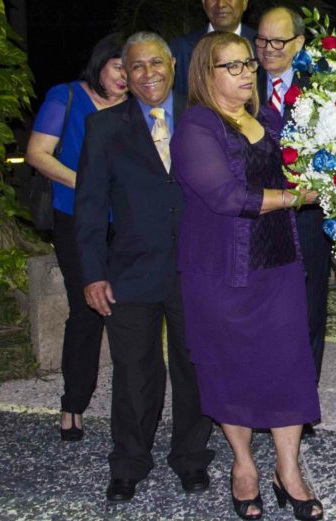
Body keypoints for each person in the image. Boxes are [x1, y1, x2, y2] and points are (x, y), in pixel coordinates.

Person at [171, 31, 322, 521]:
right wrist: (298, 197)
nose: (244, 73)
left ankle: (288, 470)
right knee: (229, 368)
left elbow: (297, 168)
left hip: (278, 265)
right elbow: (227, 197)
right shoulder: (196, 126)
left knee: (288, 367)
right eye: (230, 66)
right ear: (205, 74)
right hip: (221, 274)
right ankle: (243, 467)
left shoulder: (267, 120)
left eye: (247, 65)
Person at [76, 32, 214, 502]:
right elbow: (90, 207)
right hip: (131, 272)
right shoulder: (104, 128)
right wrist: (92, 273)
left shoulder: (204, 118)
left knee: (194, 369)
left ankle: (192, 458)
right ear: (125, 76)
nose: (148, 73)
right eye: (136, 66)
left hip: (196, 268)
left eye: (156, 63)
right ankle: (129, 462)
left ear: (173, 66)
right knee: (135, 374)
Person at [26, 33, 128, 442]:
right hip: (75, 219)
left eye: (133, 67)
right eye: (119, 66)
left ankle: (134, 405)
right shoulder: (66, 95)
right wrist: (88, 185)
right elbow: (37, 154)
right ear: (100, 62)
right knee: (85, 310)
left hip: (126, 223)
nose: (126, 75)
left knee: (129, 313)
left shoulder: (140, 109)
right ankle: (73, 402)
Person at [254, 7, 332, 409]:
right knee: (261, 312)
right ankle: (263, 394)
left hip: (307, 216)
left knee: (308, 308)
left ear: (299, 44)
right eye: (262, 40)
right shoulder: (242, 84)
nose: (268, 50)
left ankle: (302, 398)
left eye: (278, 42)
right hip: (255, 217)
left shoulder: (322, 89)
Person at [170, 0, 256, 97]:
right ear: (204, 2)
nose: (221, 4)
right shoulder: (181, 50)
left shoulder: (262, 47)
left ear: (244, 1)